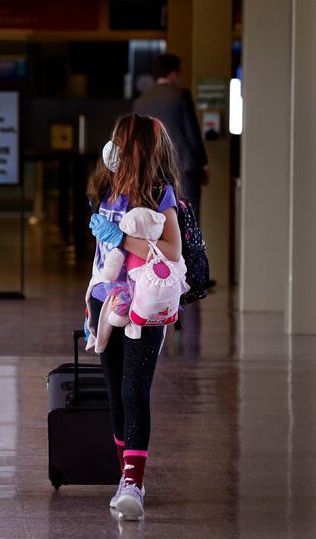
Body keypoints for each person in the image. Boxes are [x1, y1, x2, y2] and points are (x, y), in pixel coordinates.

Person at [85, 114, 183, 521]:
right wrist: (90, 299)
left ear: (136, 148)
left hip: (146, 305)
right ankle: (123, 474)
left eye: (118, 139)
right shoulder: (104, 188)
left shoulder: (160, 192)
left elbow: (172, 252)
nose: (111, 145)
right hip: (105, 300)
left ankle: (133, 482)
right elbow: (98, 257)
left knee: (133, 390)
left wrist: (121, 238)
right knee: (114, 395)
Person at [133, 54, 208, 220]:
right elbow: (192, 134)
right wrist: (203, 165)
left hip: (153, 171)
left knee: (157, 220)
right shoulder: (181, 95)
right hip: (184, 169)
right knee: (188, 219)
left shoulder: (140, 102)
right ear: (174, 73)